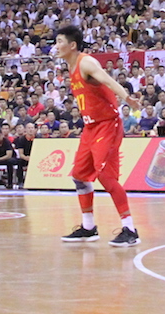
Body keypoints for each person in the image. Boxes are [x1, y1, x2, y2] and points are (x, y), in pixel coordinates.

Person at [55, 25, 143, 247]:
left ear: (72, 45)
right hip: (90, 128)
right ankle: (88, 227)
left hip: (107, 125)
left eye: (59, 42)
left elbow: (107, 79)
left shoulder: (86, 62)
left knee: (105, 176)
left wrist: (127, 98)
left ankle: (130, 229)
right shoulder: (70, 66)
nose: (55, 46)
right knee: (79, 176)